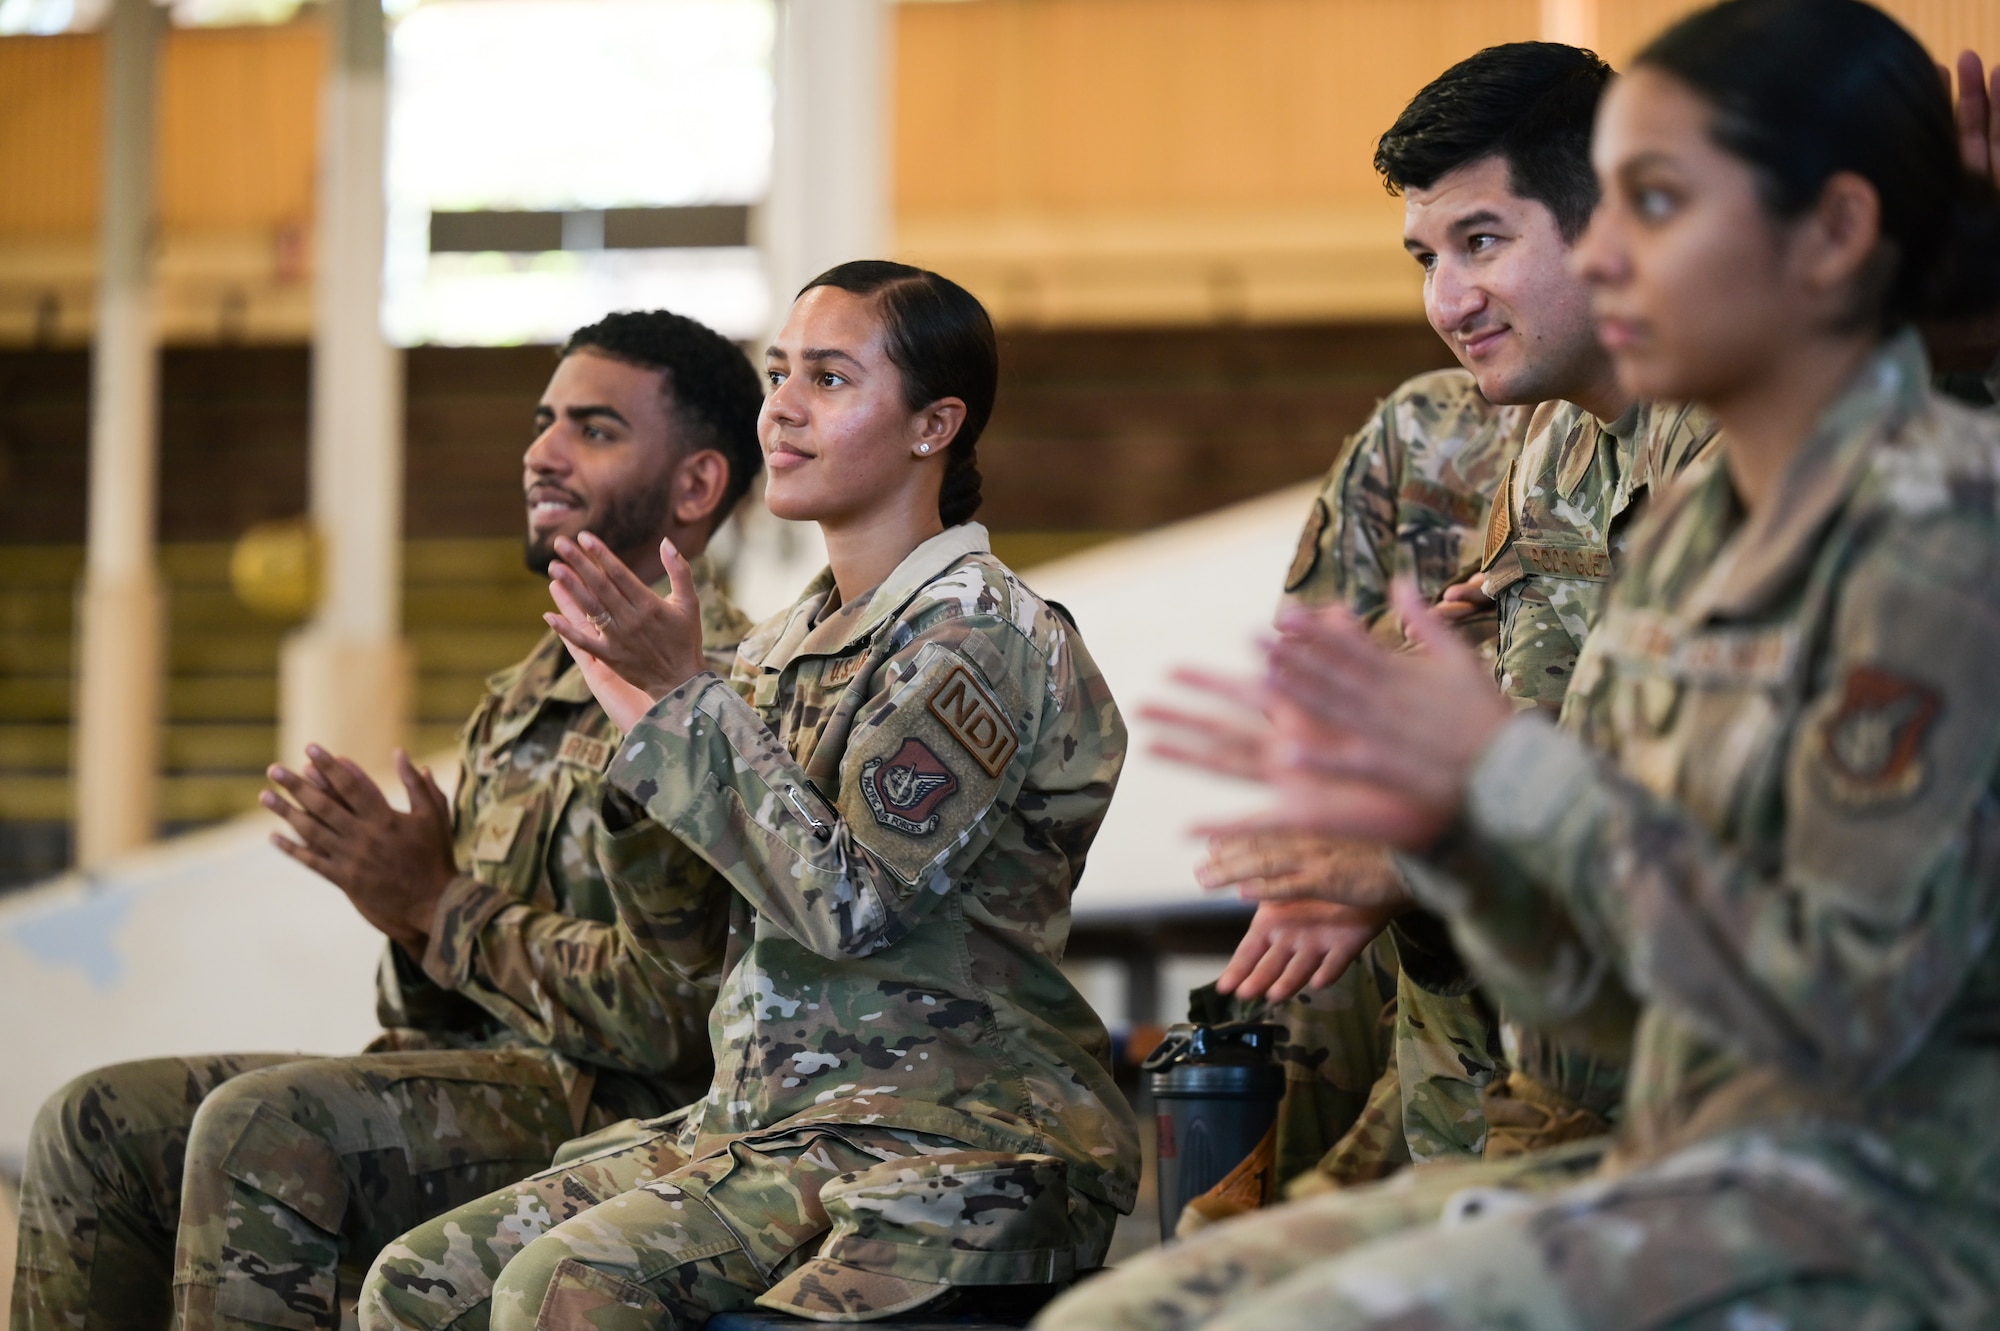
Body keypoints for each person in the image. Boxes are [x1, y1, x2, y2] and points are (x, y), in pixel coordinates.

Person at [1051, 0, 2000, 1325]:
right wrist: (1449, 835)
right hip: (1660, 1148)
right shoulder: (1675, 523)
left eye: (1653, 207)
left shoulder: (1932, 534)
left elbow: (1841, 1018)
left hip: (1878, 1203)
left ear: (1833, 233)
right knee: (1124, 1310)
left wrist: (1504, 781)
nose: (1611, 261)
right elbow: (1605, 1013)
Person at [358, 261, 1137, 1331]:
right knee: (417, 1281)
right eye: (778, 373)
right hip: (768, 1120)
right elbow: (696, 936)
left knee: (559, 1289)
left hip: (948, 1134)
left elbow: (851, 908)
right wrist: (640, 749)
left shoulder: (976, 634)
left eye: (828, 377)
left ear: (932, 424)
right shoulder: (778, 648)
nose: (782, 407)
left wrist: (681, 704)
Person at [10, 310, 764, 1331]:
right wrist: (404, 910)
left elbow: (683, 1025)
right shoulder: (523, 693)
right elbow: (433, 1016)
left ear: (695, 485)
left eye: (593, 428)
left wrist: (438, 901)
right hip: (486, 1080)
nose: (541, 452)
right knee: (93, 1121)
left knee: (263, 1125)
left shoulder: (726, 692)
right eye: (544, 420)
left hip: (636, 1116)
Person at [1194, 41, 1716, 1220]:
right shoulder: (1556, 444)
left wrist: (1406, 853)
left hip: (1682, 1117)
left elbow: (1709, 803)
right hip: (1513, 1085)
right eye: (1427, 257)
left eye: (1482, 242)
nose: (1444, 300)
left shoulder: (1735, 444)